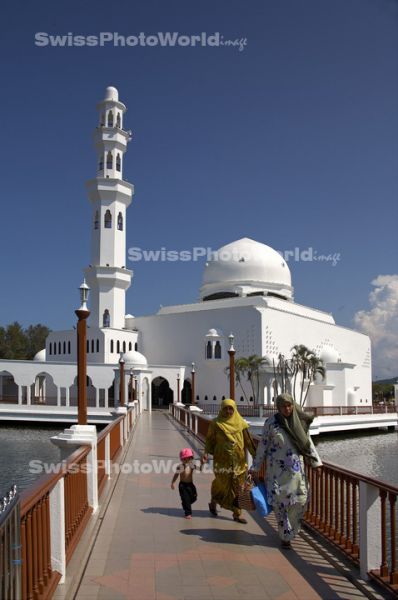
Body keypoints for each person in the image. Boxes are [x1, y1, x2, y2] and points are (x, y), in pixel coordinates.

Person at [251, 393, 322, 548]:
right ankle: (285, 537)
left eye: (289, 405)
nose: (287, 409)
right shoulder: (271, 423)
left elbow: (307, 443)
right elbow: (263, 445)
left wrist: (316, 464)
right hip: (276, 473)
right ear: (278, 407)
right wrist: (255, 467)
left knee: (301, 500)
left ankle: (290, 531)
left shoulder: (298, 422)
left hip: (296, 473)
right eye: (283, 406)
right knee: (280, 504)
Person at [201, 398, 256, 524]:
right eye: (225, 408)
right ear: (222, 409)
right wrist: (205, 453)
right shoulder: (216, 423)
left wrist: (257, 457)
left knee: (238, 486)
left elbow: (248, 441)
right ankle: (213, 502)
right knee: (221, 484)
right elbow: (210, 440)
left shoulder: (241, 423)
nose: (228, 411)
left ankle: (237, 513)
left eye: (231, 408)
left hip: (239, 461)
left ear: (235, 409)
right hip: (221, 461)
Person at [171, 447, 198, 519]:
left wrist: (203, 462)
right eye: (185, 459)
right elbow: (176, 475)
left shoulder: (192, 465)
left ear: (191, 458)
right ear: (182, 459)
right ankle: (188, 513)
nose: (187, 460)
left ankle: (185, 503)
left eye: (189, 458)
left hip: (190, 484)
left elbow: (200, 468)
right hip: (183, 485)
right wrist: (173, 482)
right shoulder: (181, 467)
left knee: (194, 498)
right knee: (186, 499)